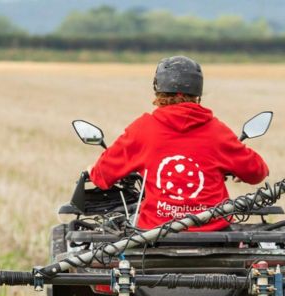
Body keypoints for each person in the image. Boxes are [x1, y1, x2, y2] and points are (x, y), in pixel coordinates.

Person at [89, 55, 269, 232]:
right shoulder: (217, 131)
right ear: (197, 93)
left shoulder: (142, 129)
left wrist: (93, 171)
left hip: (154, 237)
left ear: (158, 90)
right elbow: (257, 172)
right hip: (214, 235)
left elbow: (101, 175)